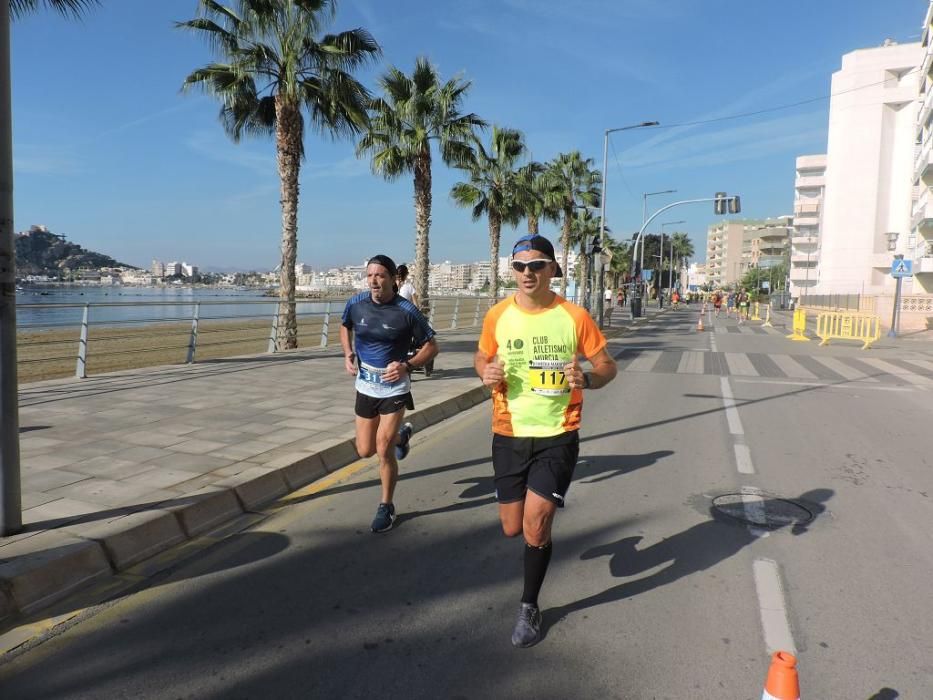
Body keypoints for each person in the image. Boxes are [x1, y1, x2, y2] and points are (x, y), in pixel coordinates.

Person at [475, 233, 618, 648]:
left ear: (553, 269)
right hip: (508, 433)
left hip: (558, 434)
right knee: (511, 528)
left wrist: (588, 379)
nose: (526, 273)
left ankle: (529, 605)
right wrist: (485, 372)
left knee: (535, 526)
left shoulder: (575, 317)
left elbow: (608, 366)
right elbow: (482, 356)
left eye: (536, 265)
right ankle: (541, 526)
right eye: (519, 266)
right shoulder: (497, 315)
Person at [341, 254, 438, 533]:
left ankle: (386, 506)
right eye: (370, 275)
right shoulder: (356, 304)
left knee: (383, 450)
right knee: (365, 450)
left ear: (393, 279)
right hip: (365, 387)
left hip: (394, 388)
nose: (373, 280)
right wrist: (348, 353)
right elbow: (344, 326)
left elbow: (432, 347)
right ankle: (401, 436)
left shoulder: (406, 311)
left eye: (380, 275)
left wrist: (406, 366)